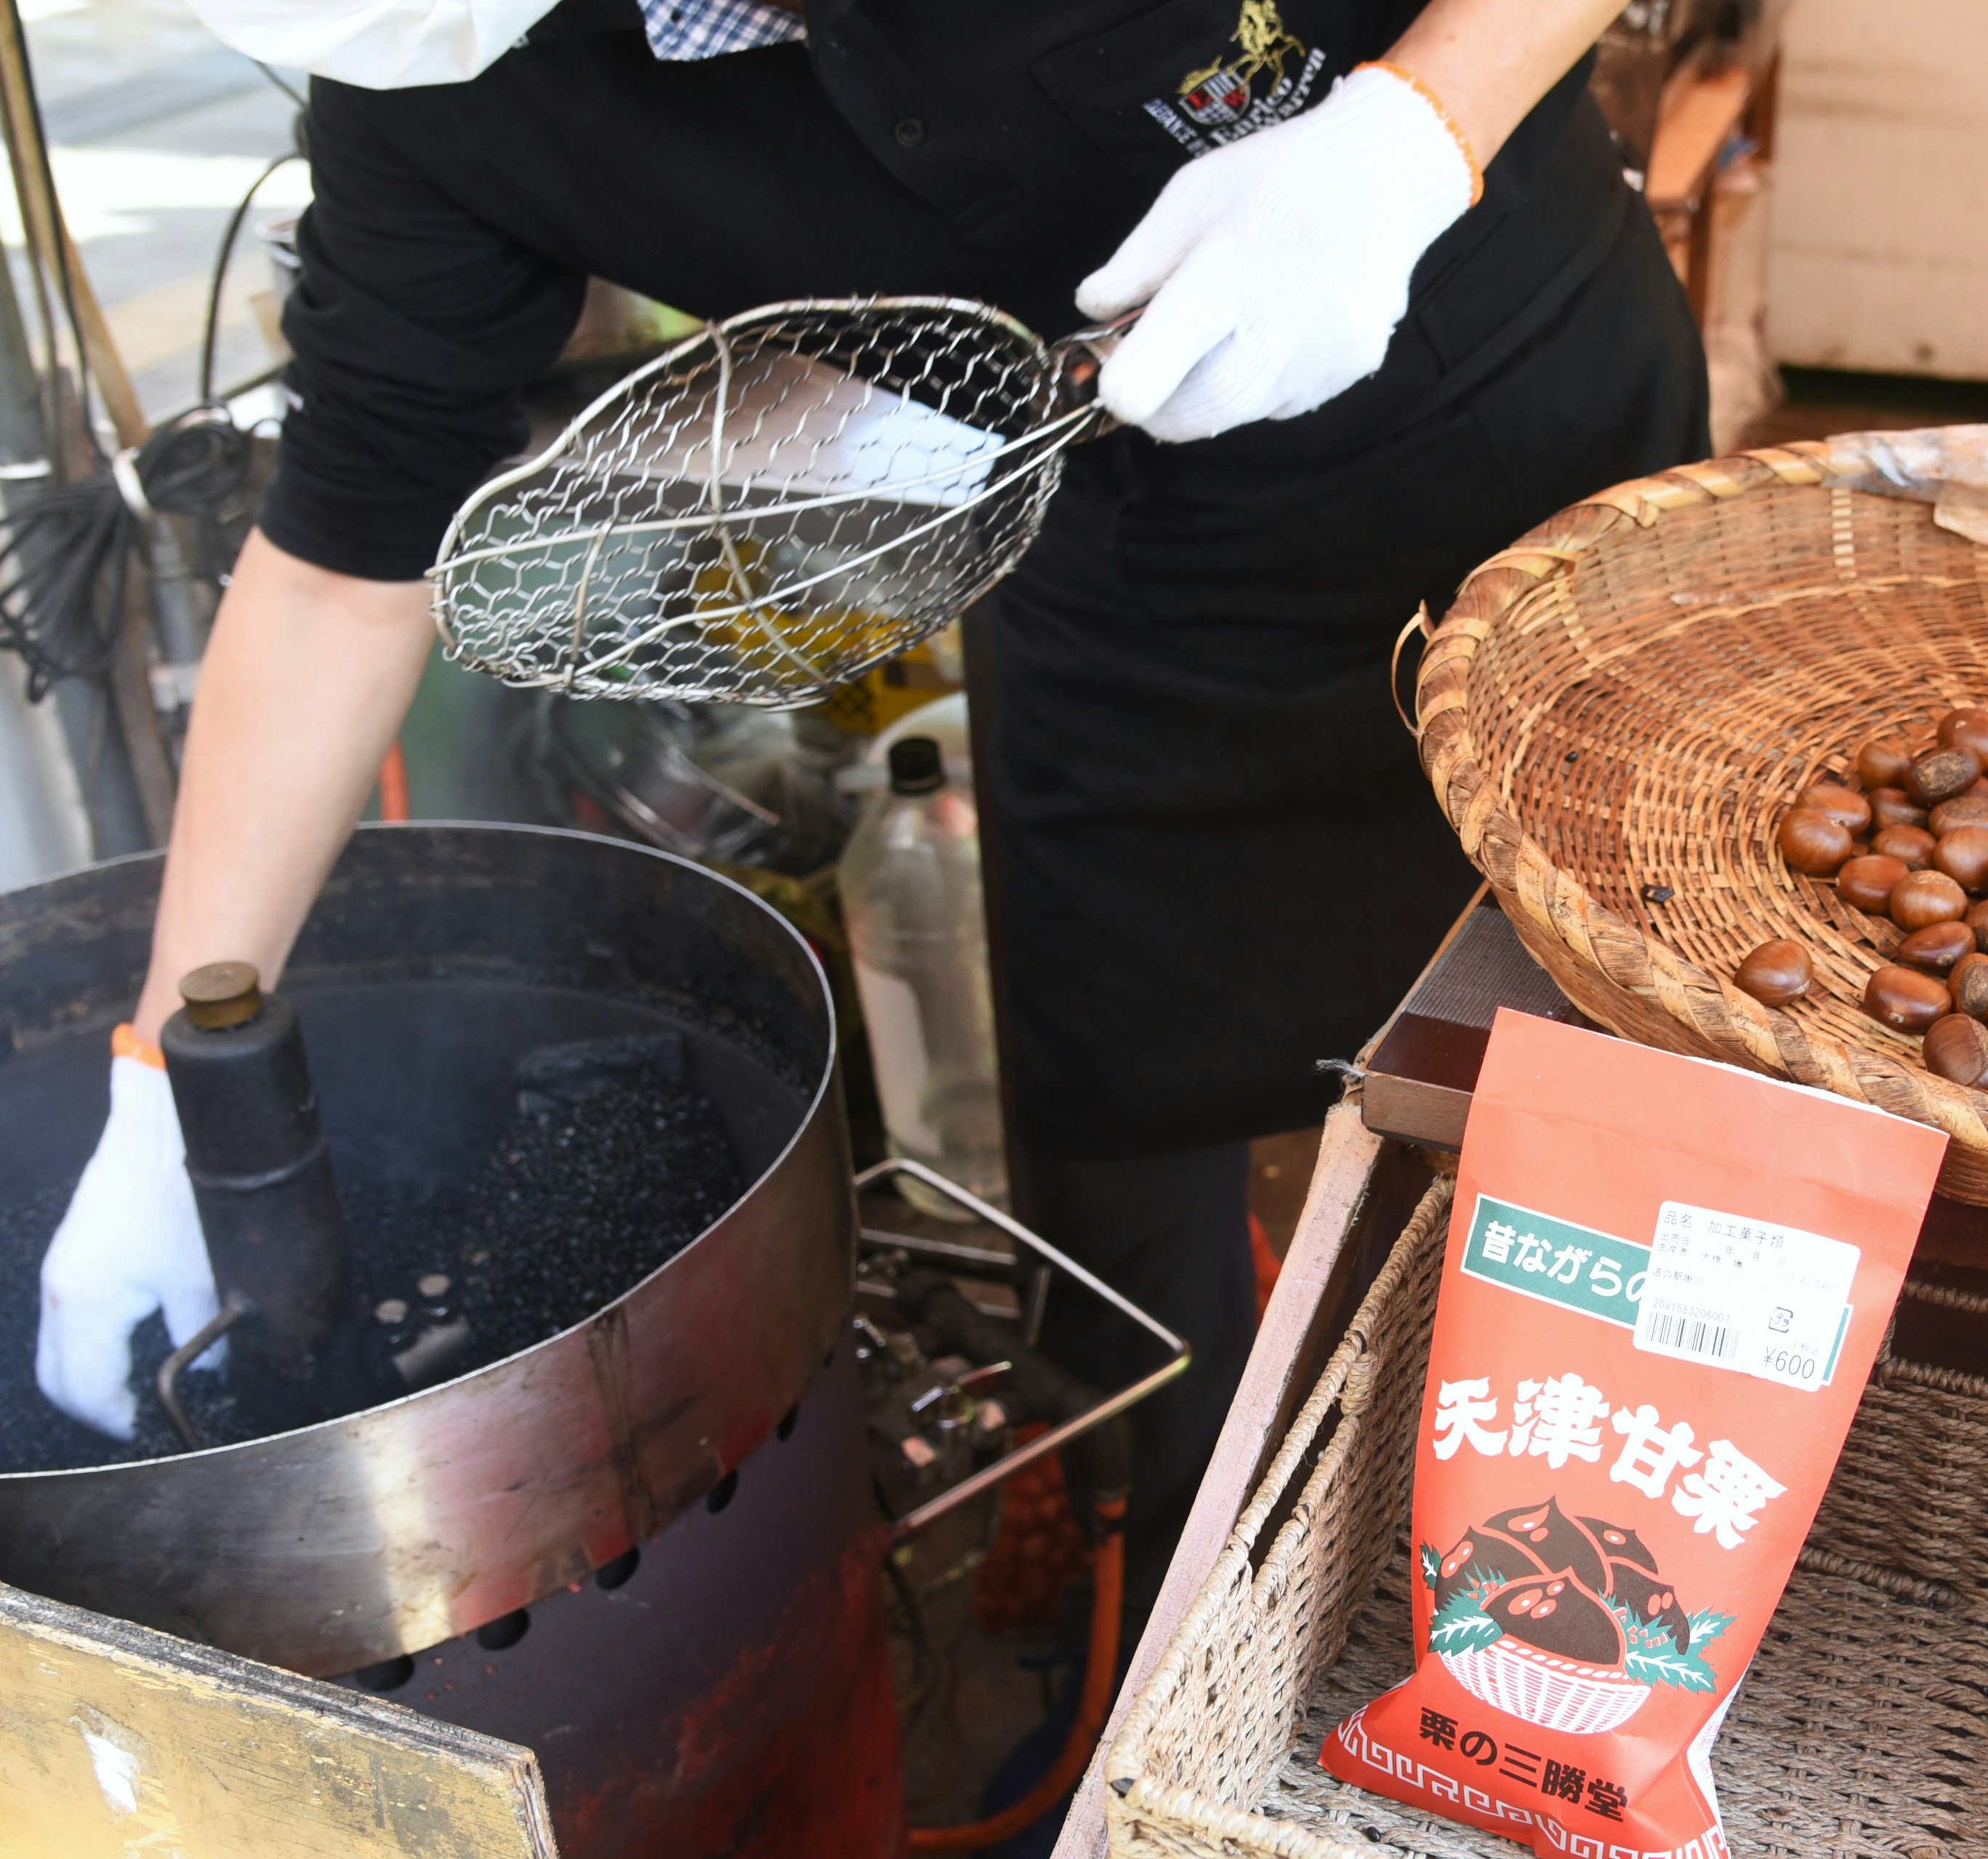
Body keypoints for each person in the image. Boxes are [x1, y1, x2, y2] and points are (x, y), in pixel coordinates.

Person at [34, 0, 1707, 1636]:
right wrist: (154, 1079)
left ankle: (1594, 1600)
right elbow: (343, 566)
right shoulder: (444, 74)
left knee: (1579, 1112)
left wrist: (1419, 126)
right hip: (1112, 553)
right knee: (1126, 1154)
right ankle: (1202, 1633)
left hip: (1513, 445)